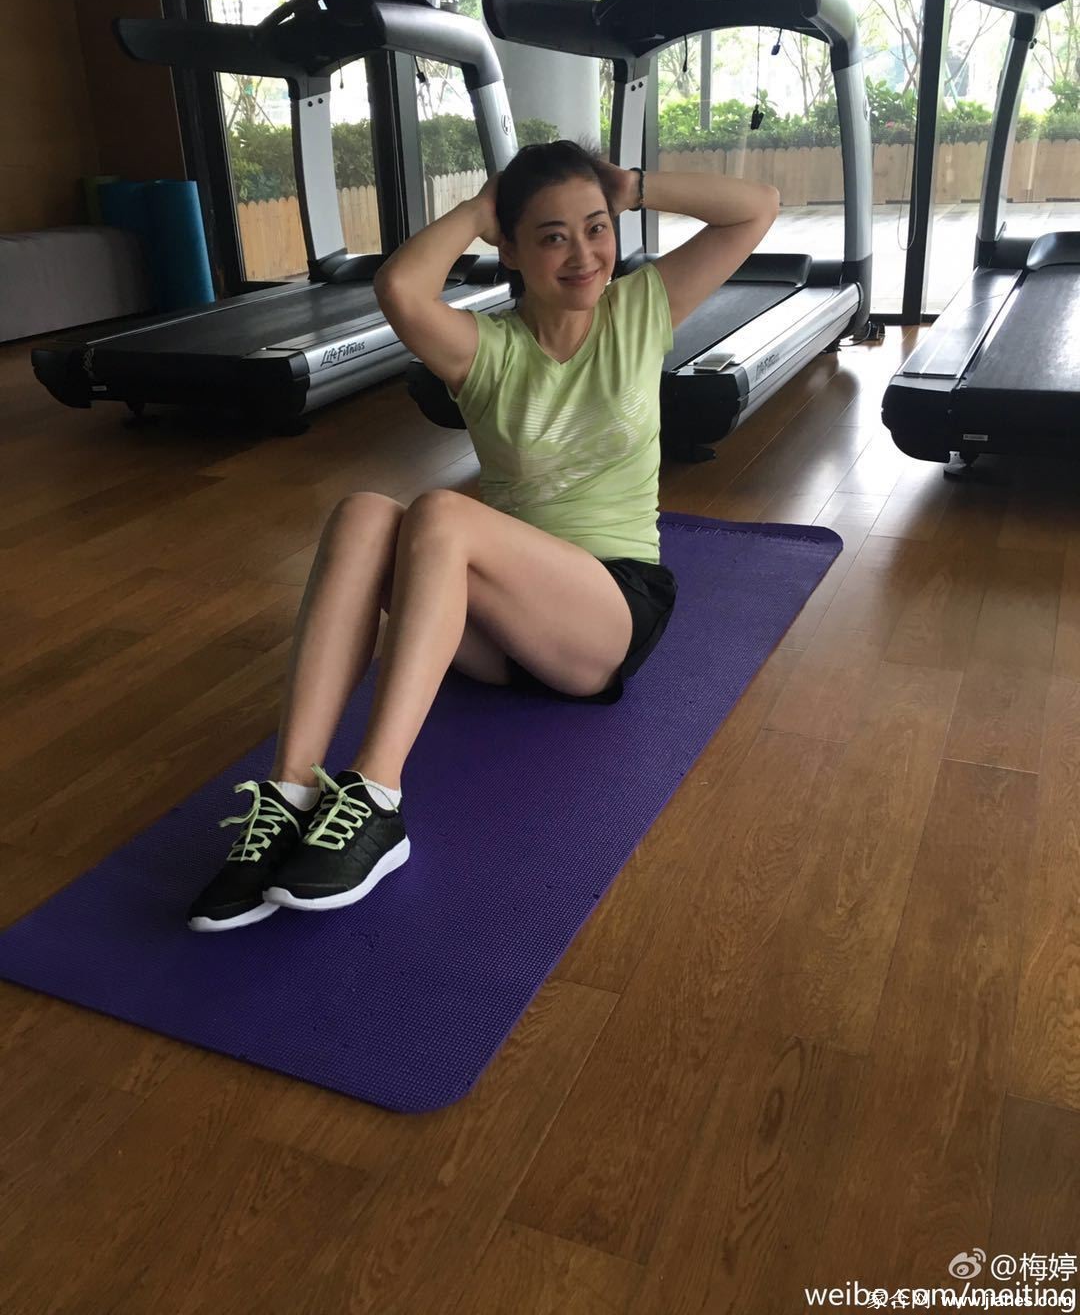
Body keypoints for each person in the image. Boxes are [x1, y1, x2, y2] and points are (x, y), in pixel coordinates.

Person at [187, 140, 779, 933]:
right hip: (497, 628)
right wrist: (477, 208)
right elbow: (400, 287)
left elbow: (756, 209)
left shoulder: (641, 310)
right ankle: (292, 792)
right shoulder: (484, 350)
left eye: (596, 229)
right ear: (512, 249)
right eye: (552, 237)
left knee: (440, 512)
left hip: (604, 615)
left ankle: (377, 795)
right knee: (364, 513)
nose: (583, 255)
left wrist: (630, 186)